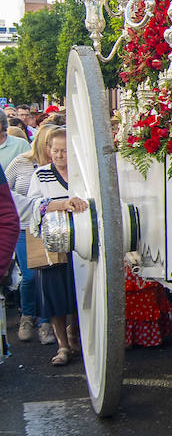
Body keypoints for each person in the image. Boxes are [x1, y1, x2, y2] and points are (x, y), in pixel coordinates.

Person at [26, 129, 88, 365]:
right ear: (48, 151)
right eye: (56, 151)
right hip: (52, 243)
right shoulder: (41, 175)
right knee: (55, 294)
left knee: (77, 291)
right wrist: (63, 203)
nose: (60, 155)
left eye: (64, 151)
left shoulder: (81, 175)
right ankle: (62, 345)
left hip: (80, 241)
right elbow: (33, 205)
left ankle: (74, 335)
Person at [7, 126, 57, 344]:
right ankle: (28, 316)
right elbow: (5, 191)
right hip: (24, 226)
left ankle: (46, 321)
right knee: (28, 277)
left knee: (47, 276)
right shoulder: (20, 163)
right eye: (51, 146)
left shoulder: (60, 166)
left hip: (52, 227)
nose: (54, 150)